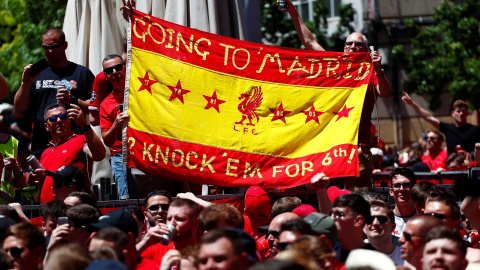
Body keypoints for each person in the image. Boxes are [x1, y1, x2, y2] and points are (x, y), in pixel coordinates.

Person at [282, 0, 391, 188]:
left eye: (358, 44)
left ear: (366, 50)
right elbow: (310, 42)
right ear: (344, 48)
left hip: (359, 148)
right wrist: (292, 11)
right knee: (332, 196)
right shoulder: (336, 68)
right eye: (349, 44)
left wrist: (379, 69)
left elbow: (386, 93)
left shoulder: (371, 73)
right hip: (332, 148)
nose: (353, 47)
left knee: (359, 200)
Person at [14, 28, 95, 159]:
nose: (50, 51)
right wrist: (25, 84)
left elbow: (97, 108)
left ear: (65, 45)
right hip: (42, 146)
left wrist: (73, 100)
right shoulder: (36, 75)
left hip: (74, 144)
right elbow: (19, 107)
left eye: (55, 46)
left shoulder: (82, 73)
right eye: (46, 47)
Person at [27, 103, 105, 203]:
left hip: (74, 209)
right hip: (49, 211)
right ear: (46, 126)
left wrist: (84, 125)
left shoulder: (81, 140)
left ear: (69, 120)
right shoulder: (45, 152)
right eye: (53, 118)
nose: (59, 121)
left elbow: (99, 155)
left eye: (63, 116)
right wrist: (32, 179)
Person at [402, 94, 480, 155]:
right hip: (452, 169)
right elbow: (428, 117)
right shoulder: (448, 128)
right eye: (458, 111)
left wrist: (470, 155)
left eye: (463, 111)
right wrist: (412, 103)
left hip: (469, 169)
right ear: (453, 113)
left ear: (467, 113)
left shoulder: (475, 129)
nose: (461, 114)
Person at [99, 54, 130, 199]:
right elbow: (107, 140)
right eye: (109, 70)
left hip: (145, 151)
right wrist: (116, 124)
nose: (114, 72)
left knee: (153, 196)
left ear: (125, 68)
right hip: (121, 156)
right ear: (105, 76)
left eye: (118, 67)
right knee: (127, 201)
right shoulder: (105, 104)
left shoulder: (143, 92)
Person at [139, 198, 201, 265]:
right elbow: (127, 263)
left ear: (195, 223)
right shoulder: (155, 248)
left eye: (179, 219)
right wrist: (144, 243)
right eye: (169, 218)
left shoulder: (206, 252)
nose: (172, 223)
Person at [329, 193, 374, 262]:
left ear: (358, 221)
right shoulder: (328, 255)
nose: (331, 218)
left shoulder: (376, 259)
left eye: (337, 214)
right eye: (331, 214)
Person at [363, 199, 403, 265]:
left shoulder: (406, 258)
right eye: (370, 219)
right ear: (363, 227)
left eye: (382, 219)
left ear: (393, 227)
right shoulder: (353, 257)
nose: (375, 223)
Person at [389, 168, 417, 240]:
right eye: (397, 185)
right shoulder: (385, 220)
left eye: (406, 185)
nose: (401, 189)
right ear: (391, 191)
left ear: (414, 189)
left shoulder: (423, 220)